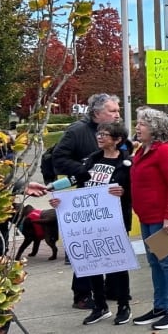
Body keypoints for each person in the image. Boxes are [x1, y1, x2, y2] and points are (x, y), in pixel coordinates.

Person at [47, 122, 134, 325]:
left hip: (114, 220)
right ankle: (100, 306)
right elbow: (77, 179)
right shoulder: (92, 159)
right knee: (93, 263)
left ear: (117, 139)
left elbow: (135, 189)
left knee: (117, 264)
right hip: (90, 221)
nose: (100, 137)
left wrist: (123, 192)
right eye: (99, 133)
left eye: (105, 134)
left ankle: (123, 305)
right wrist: (53, 191)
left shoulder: (126, 163)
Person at [52, 93, 121, 309]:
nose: (118, 114)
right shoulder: (77, 131)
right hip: (87, 200)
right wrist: (85, 170)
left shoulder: (117, 131)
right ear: (97, 113)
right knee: (88, 248)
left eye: (118, 110)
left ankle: (110, 289)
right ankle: (82, 295)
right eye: (113, 111)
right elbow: (58, 159)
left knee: (109, 245)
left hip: (110, 199)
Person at [129, 108, 168, 330]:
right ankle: (161, 306)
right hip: (146, 215)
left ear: (155, 128)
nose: (137, 127)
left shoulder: (164, 151)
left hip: (164, 217)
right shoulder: (141, 151)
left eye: (141, 124)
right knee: (154, 263)